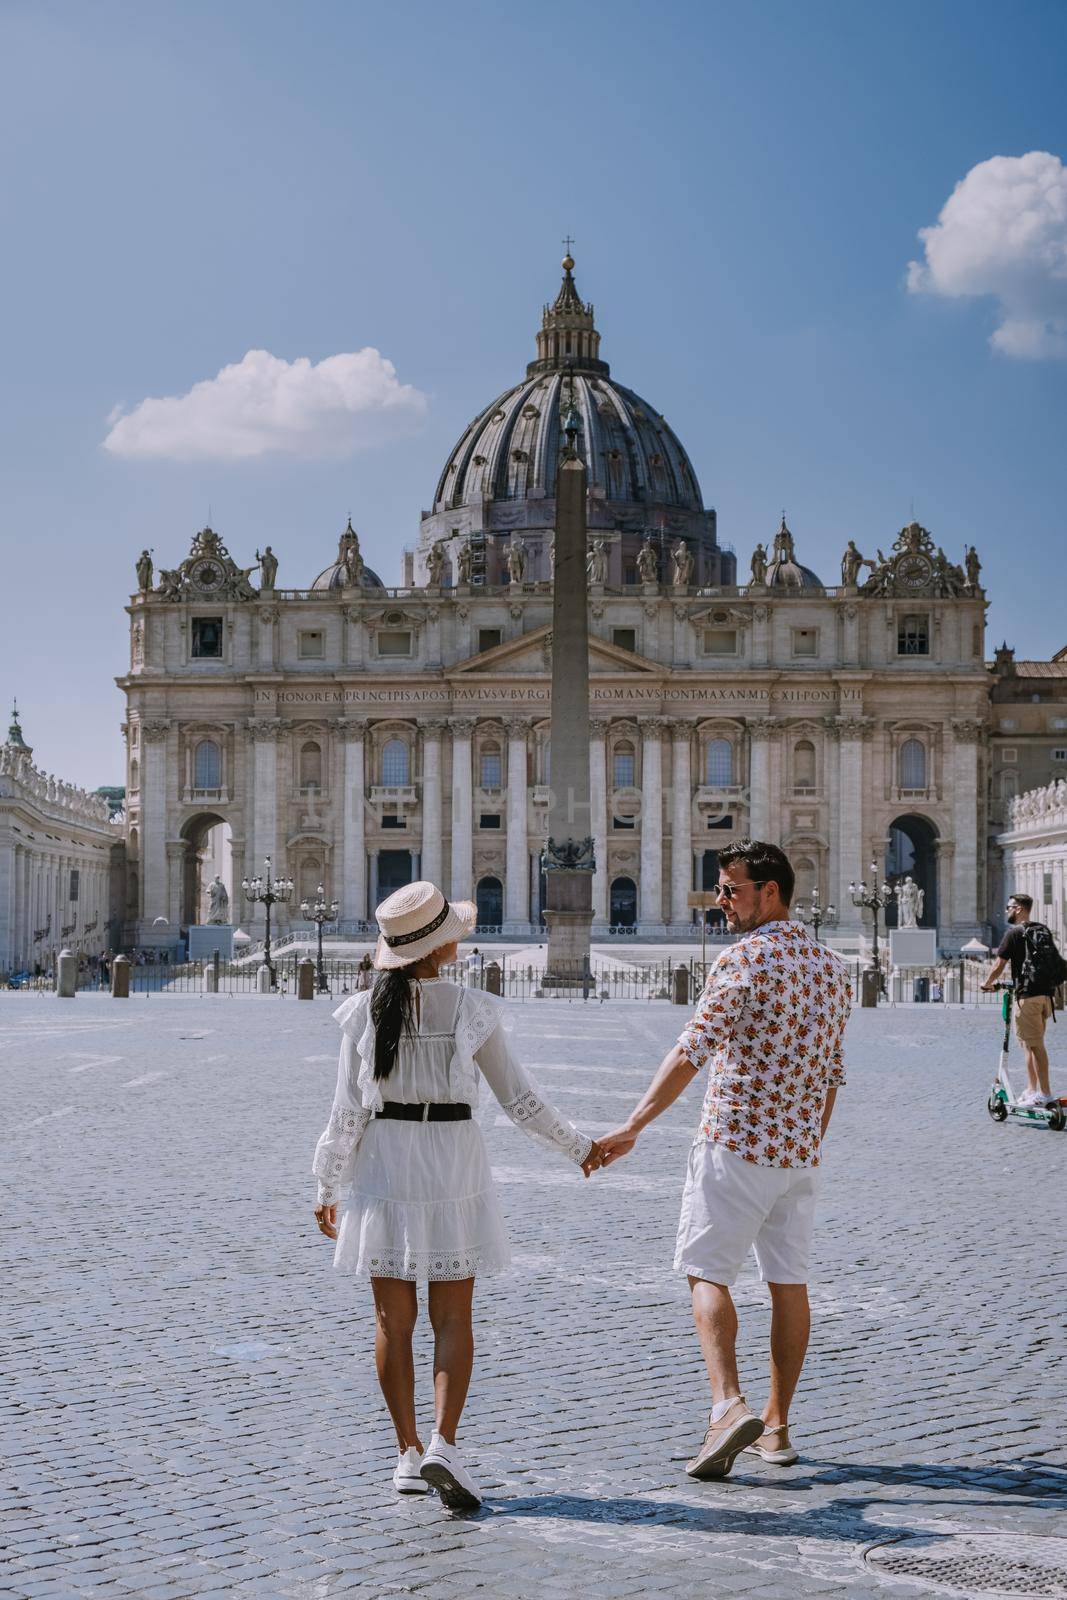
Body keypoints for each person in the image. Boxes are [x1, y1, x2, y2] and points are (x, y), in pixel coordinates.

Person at [311, 882, 601, 1509]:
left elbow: (346, 1112)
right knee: (452, 1317)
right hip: (452, 1159)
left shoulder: (363, 1011)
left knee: (392, 1319)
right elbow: (519, 1101)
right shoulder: (471, 1008)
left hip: (384, 1159)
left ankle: (407, 1452)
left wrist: (327, 1183)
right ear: (443, 946)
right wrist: (578, 1147)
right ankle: (445, 1441)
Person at [596, 840, 851, 1479]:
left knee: (705, 1273)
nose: (720, 901)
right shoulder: (831, 966)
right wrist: (809, 1142)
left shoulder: (743, 961)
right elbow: (831, 1076)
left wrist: (633, 1125)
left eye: (730, 889)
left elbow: (691, 1051)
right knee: (789, 1286)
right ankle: (777, 1426)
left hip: (735, 1143)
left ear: (770, 890)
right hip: (798, 1152)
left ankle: (726, 1404)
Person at [982, 893, 1062, 1106]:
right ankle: (1031, 1089)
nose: (1006, 910)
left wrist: (988, 983)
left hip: (1027, 996)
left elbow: (999, 965)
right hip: (1045, 996)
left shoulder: (1014, 933)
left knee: (1036, 1046)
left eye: (1009, 907)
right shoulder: (1041, 929)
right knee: (1029, 1044)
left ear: (1018, 908)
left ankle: (1044, 1094)